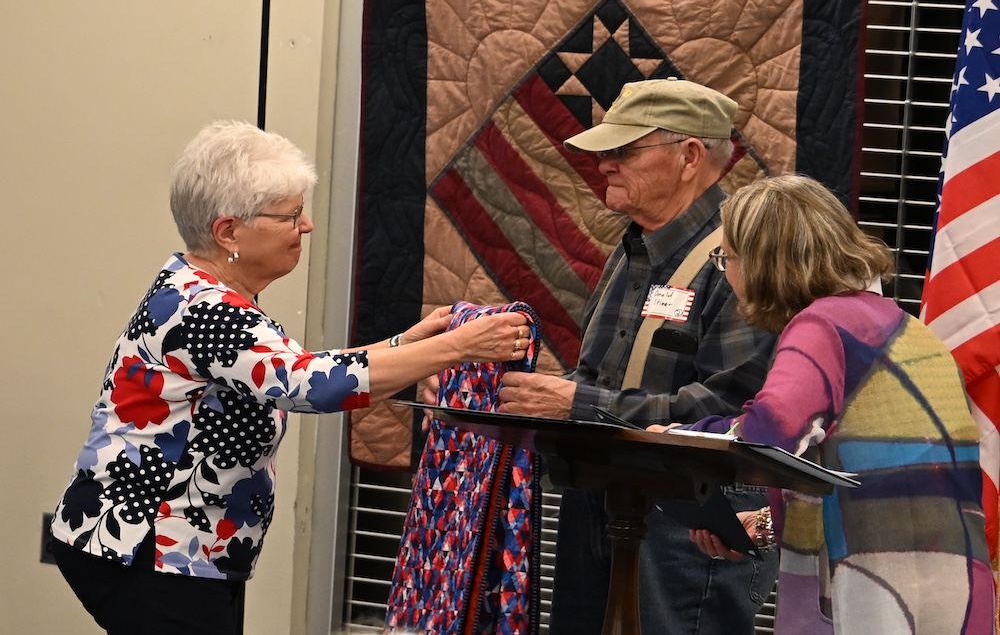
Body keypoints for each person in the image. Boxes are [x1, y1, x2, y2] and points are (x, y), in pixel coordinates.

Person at [49, 120, 529, 635]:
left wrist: (406, 345)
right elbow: (311, 385)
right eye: (291, 215)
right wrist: (457, 347)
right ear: (228, 231)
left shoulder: (203, 290)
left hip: (177, 551)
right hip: (148, 548)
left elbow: (287, 369)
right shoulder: (208, 309)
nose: (307, 226)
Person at [496, 78, 780, 635]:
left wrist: (578, 401)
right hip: (601, 499)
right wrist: (514, 393)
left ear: (690, 156)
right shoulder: (635, 249)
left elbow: (732, 407)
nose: (603, 165)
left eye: (624, 151)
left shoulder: (747, 256)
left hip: (692, 519)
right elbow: (602, 378)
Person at [658, 174, 995, 634]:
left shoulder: (821, 325)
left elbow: (769, 435)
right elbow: (868, 470)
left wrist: (675, 440)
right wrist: (765, 524)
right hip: (953, 589)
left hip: (869, 596)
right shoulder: (905, 326)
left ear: (762, 264)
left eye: (727, 258)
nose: (727, 270)